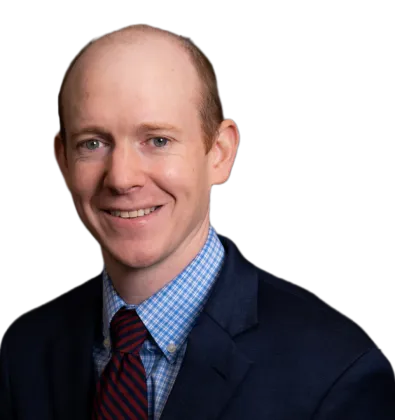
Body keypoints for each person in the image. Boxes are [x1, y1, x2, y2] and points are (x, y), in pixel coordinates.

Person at [1, 23, 394, 420]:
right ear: (63, 158)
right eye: (93, 143)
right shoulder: (21, 353)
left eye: (157, 140)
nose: (121, 178)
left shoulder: (337, 372)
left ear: (220, 153)